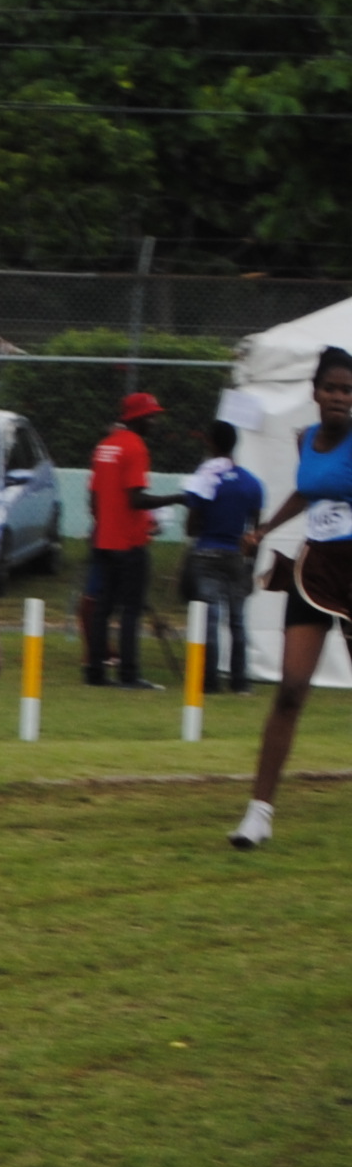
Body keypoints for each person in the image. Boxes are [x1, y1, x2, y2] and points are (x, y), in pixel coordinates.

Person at [235, 345, 352, 849]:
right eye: (332, 388)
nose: (340, 397)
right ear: (315, 392)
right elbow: (307, 491)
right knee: (289, 691)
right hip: (315, 571)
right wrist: (264, 530)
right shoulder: (306, 439)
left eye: (348, 390)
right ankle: (258, 814)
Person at [82, 392, 167, 689]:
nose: (154, 422)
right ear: (138, 418)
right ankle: (129, 675)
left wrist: (102, 524)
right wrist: (178, 498)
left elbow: (93, 497)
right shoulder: (135, 447)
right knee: (131, 610)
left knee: (103, 609)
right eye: (151, 417)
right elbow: (136, 499)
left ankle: (95, 672)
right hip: (130, 543)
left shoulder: (105, 446)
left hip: (104, 541)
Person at [182, 419, 267, 693]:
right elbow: (256, 531)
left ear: (210, 443)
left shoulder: (205, 477)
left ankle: (209, 680)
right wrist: (251, 566)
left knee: (210, 619)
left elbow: (191, 527)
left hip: (206, 552)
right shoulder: (251, 483)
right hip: (235, 555)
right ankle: (240, 682)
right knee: (237, 620)